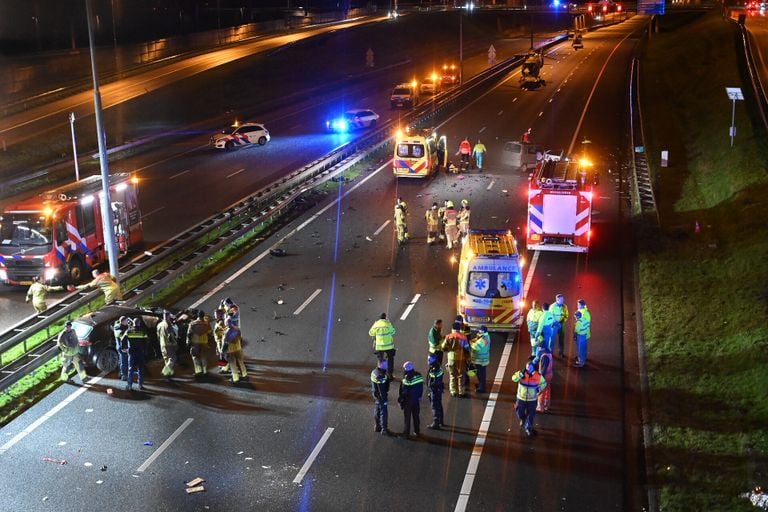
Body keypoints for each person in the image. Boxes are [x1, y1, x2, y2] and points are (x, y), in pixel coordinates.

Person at [512, 360, 547, 436]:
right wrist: (520, 375)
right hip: (521, 398)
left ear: (533, 368)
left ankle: (528, 428)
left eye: (530, 368)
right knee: (519, 412)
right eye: (527, 368)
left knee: (531, 414)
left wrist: (539, 390)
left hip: (532, 399)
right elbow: (513, 379)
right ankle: (523, 419)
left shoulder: (538, 376)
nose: (528, 369)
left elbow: (544, 383)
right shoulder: (521, 373)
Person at [398, 361, 424, 439]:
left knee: (407, 418)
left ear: (406, 369)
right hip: (416, 400)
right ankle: (417, 431)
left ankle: (406, 434)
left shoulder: (406, 378)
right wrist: (419, 396)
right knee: (416, 416)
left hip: (408, 401)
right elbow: (421, 388)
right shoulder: (419, 375)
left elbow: (404, 391)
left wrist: (400, 400)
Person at [442, 321, 468, 397]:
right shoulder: (463, 337)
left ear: (452, 328)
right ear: (459, 328)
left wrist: (448, 350)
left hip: (451, 358)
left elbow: (443, 347)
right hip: (460, 358)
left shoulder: (448, 337)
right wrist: (468, 357)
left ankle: (453, 391)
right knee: (461, 375)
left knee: (452, 375)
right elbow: (466, 348)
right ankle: (461, 391)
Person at [369, 313, 396, 379]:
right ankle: (390, 374)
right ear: (385, 318)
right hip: (388, 346)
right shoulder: (388, 324)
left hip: (379, 346)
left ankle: (381, 374)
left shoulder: (376, 324)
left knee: (380, 360)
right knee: (390, 359)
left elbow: (370, 333)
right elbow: (393, 332)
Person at [123, 317, 147, 392]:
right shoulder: (143, 331)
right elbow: (146, 342)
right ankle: (140, 384)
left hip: (131, 352)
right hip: (140, 352)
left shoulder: (128, 331)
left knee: (130, 369)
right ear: (139, 323)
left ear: (133, 323)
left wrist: (125, 349)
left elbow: (123, 340)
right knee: (140, 368)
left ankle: (130, 385)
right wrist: (145, 351)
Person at [187, 310, 212, 377]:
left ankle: (198, 371)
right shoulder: (206, 324)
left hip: (195, 342)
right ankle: (205, 370)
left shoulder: (192, 324)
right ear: (203, 316)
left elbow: (189, 334)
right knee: (203, 356)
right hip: (204, 342)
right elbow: (210, 333)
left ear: (197, 315)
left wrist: (188, 342)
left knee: (195, 357)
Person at [370, 359, 392, 435]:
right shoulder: (380, 375)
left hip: (375, 395)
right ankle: (384, 429)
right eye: (385, 364)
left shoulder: (374, 372)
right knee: (384, 412)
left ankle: (377, 426)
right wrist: (385, 399)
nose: (386, 366)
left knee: (377, 410)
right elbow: (381, 389)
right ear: (381, 365)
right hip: (381, 396)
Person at [223, 318, 248, 383]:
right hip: (238, 348)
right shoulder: (237, 329)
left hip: (230, 351)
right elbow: (240, 338)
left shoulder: (226, 332)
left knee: (232, 364)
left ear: (226, 323)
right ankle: (244, 374)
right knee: (241, 362)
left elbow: (225, 343)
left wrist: (223, 351)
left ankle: (235, 378)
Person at [156, 311, 178, 379]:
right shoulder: (168, 325)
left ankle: (169, 373)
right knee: (173, 359)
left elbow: (158, 336)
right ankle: (164, 372)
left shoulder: (159, 325)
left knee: (166, 359)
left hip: (162, 344)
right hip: (168, 345)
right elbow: (170, 336)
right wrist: (175, 344)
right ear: (168, 316)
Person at [470, 325, 491, 393]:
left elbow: (477, 346)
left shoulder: (484, 338)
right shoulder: (482, 336)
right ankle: (480, 385)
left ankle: (482, 388)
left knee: (481, 374)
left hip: (481, 360)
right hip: (480, 359)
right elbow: (476, 340)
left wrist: (471, 343)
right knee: (480, 373)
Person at [426, 354, 444, 429]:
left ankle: (436, 423)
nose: (428, 361)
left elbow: (433, 381)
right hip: (438, 389)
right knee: (439, 405)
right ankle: (441, 421)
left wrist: (430, 388)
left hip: (435, 391)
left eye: (429, 359)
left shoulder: (434, 369)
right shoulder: (438, 366)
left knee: (434, 406)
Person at [112, 316, 132, 381]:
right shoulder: (119, 329)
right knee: (124, 361)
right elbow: (122, 336)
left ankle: (120, 373)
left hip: (119, 346)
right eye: (126, 321)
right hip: (122, 347)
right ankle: (124, 375)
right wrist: (127, 331)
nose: (127, 322)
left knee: (121, 360)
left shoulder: (117, 326)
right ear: (123, 322)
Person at [574, 299, 591, 368]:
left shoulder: (586, 314)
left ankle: (581, 362)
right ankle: (582, 358)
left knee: (581, 348)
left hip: (583, 334)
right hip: (583, 333)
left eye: (578, 304)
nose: (577, 306)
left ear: (582, 305)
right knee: (582, 347)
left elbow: (587, 324)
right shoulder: (581, 311)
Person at [212, 308, 230, 374]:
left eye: (216, 314)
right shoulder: (218, 321)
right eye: (215, 314)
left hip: (221, 340)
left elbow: (225, 331)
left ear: (220, 315)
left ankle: (225, 368)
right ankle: (222, 366)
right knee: (221, 353)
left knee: (223, 354)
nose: (215, 315)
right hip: (218, 340)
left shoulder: (221, 322)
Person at [537, 344, 553, 412]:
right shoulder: (549, 353)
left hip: (545, 376)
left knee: (541, 392)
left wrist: (541, 379)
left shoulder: (544, 357)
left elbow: (543, 369)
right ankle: (547, 404)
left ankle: (540, 407)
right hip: (550, 374)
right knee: (547, 390)